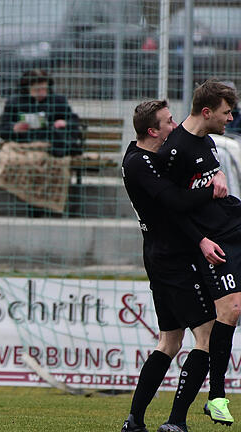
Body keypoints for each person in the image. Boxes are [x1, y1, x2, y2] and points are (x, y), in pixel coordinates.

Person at [121, 99, 227, 432]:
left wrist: (213, 170)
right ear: (153, 131)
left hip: (160, 254)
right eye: (169, 122)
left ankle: (135, 420)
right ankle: (176, 422)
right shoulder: (140, 164)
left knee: (169, 341)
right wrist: (213, 190)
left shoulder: (146, 157)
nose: (175, 125)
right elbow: (176, 202)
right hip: (171, 258)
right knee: (207, 333)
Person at [157, 80, 241, 428]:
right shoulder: (174, 151)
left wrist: (218, 173)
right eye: (226, 112)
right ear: (207, 111)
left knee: (231, 310)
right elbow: (170, 209)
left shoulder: (207, 142)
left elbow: (208, 177)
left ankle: (214, 397)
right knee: (231, 308)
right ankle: (217, 396)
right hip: (212, 241)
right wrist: (201, 241)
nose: (231, 117)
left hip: (232, 223)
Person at [0, 69, 82, 157]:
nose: (42, 93)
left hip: (52, 147)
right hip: (21, 146)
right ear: (27, 88)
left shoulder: (58, 101)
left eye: (45, 89)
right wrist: (14, 128)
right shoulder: (14, 102)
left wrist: (64, 123)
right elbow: (3, 129)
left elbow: (73, 120)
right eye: (37, 90)